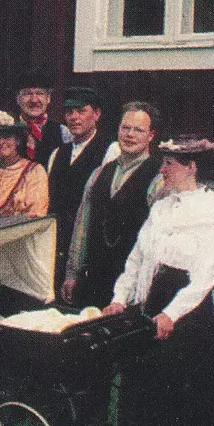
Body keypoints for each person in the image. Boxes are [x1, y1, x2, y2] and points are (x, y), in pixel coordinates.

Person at [104, 135, 214, 426]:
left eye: (169, 164)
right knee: (157, 390)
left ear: (191, 167)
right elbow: (138, 258)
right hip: (155, 301)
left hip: (190, 312)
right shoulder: (161, 208)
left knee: (191, 395)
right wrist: (119, 297)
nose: (162, 169)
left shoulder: (211, 213)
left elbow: (206, 275)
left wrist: (171, 314)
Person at [64, 102, 163, 308]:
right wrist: (72, 274)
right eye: (125, 128)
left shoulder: (158, 177)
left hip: (133, 286)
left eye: (138, 130)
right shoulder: (99, 173)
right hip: (95, 281)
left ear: (151, 136)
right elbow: (82, 227)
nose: (130, 135)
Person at [48, 86, 112, 295]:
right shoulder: (58, 154)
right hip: (58, 244)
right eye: (69, 112)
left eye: (81, 111)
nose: (74, 118)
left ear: (97, 114)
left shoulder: (110, 150)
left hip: (89, 244)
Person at [16, 72, 68, 164]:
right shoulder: (7, 133)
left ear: (48, 98)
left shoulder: (63, 132)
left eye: (39, 93)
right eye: (27, 94)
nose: (34, 100)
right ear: (18, 99)